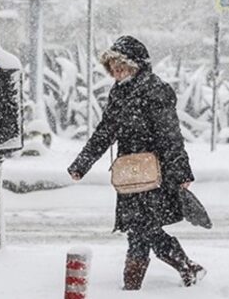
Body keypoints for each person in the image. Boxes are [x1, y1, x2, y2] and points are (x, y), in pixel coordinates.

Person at [67, 35, 206, 290]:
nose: (117, 71)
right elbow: (105, 131)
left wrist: (181, 171)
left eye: (122, 65)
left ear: (136, 65)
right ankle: (186, 267)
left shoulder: (154, 90)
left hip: (155, 172)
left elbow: (170, 135)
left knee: (142, 229)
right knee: (141, 228)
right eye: (113, 66)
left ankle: (133, 287)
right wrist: (81, 164)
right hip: (130, 173)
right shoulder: (118, 93)